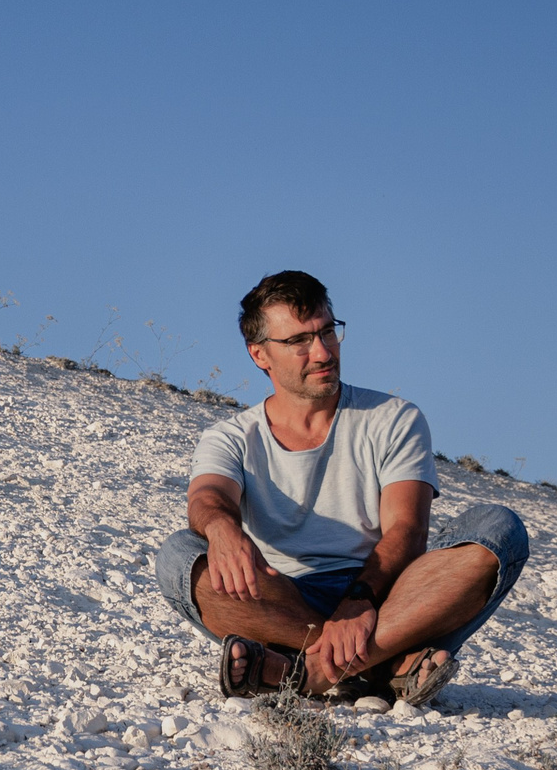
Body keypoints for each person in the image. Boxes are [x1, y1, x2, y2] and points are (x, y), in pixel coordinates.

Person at [152, 270, 528, 703]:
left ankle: (302, 671)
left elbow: (407, 530)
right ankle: (384, 664)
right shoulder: (232, 436)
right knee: (178, 558)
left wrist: (359, 602)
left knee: (500, 530)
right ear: (260, 354)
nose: (323, 351)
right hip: (284, 596)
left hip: (387, 594)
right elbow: (207, 498)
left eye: (328, 332)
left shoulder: (393, 418)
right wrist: (222, 530)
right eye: (299, 341)